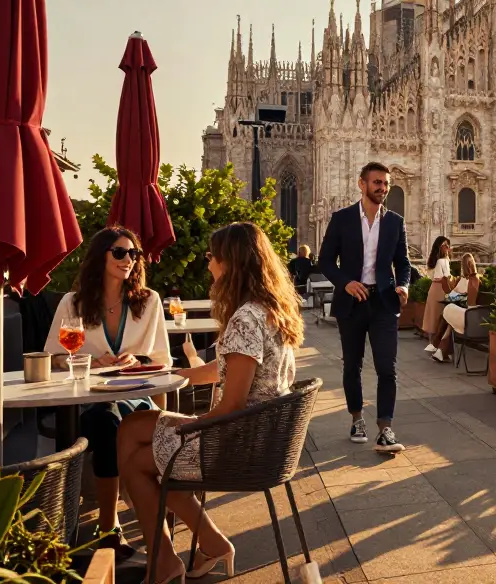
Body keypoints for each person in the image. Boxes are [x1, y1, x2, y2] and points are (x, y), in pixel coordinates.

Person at [115, 222, 302, 583]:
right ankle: (202, 543)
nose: (209, 263)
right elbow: (233, 367)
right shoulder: (268, 311)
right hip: (260, 439)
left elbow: (231, 406)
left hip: (237, 445)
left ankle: (165, 557)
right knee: (133, 428)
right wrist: (179, 374)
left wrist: (188, 426)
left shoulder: (245, 318)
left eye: (212, 256)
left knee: (137, 459)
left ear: (231, 263)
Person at [42, 226, 170, 560]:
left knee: (112, 420)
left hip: (135, 397)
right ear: (101, 257)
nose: (128, 260)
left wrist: (137, 360)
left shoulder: (149, 301)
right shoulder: (73, 304)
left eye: (133, 254)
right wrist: (86, 361)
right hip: (87, 400)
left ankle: (111, 528)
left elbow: (162, 360)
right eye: (119, 252)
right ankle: (112, 526)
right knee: (104, 419)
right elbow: (53, 356)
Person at [318, 162, 411, 453]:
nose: (382, 188)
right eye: (377, 182)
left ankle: (385, 428)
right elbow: (325, 261)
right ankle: (357, 418)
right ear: (362, 184)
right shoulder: (342, 219)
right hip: (352, 302)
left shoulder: (395, 222)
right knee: (352, 366)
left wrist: (403, 285)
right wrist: (345, 283)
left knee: (387, 368)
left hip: (383, 302)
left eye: (386, 183)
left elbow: (403, 263)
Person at [432, 253, 481, 363]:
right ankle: (441, 350)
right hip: (467, 312)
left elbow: (470, 302)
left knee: (447, 313)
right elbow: (455, 293)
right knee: (448, 318)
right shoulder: (468, 278)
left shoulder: (473, 279)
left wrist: (452, 291)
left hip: (469, 315)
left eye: (465, 265)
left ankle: (438, 347)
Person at [421, 236, 453, 354]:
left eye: (448, 245)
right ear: (439, 247)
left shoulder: (437, 260)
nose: (447, 248)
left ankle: (433, 344)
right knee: (439, 315)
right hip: (441, 288)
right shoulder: (443, 261)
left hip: (434, 288)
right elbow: (445, 277)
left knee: (433, 315)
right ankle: (438, 346)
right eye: (444, 245)